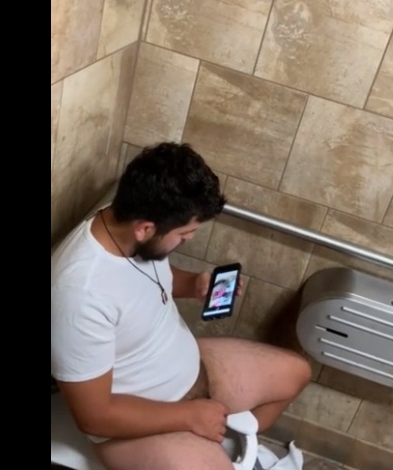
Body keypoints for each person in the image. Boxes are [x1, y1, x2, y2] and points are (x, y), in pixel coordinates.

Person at [51, 142, 312, 470]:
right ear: (145, 229)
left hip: (192, 365)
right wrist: (189, 416)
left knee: (297, 373)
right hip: (137, 420)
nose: (188, 240)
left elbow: (139, 279)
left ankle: (221, 448)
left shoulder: (126, 218)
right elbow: (94, 416)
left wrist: (193, 285)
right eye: (185, 234)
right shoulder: (78, 294)